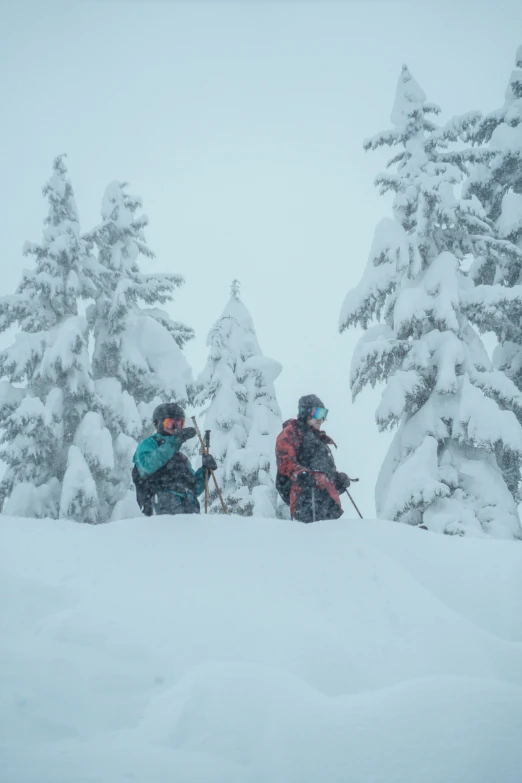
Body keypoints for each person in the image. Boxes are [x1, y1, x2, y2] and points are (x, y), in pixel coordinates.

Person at [275, 394, 351, 523]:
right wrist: (301, 474)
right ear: (305, 413)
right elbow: (285, 459)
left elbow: (323, 471)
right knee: (311, 537)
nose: (321, 419)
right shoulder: (292, 432)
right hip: (305, 497)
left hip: (328, 500)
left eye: (324, 414)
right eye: (317, 413)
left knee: (333, 537)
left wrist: (336, 480)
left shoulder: (320, 442)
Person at [132, 402, 217, 516]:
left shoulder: (180, 457)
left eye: (179, 424)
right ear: (158, 424)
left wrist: (205, 471)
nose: (176, 429)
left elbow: (194, 488)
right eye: (171, 424)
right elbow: (148, 465)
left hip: (188, 509)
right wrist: (175, 442)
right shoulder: (150, 444)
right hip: (161, 504)